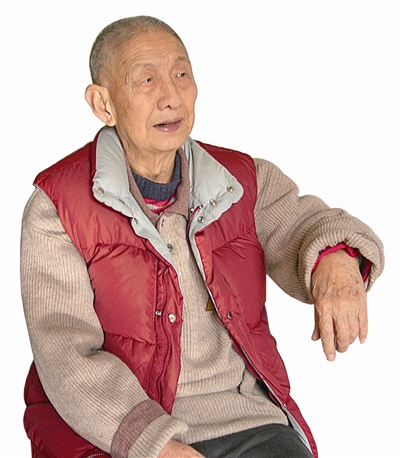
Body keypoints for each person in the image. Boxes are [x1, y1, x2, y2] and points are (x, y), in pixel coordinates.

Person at [20, 15, 384, 458]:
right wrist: (154, 445)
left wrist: (337, 259)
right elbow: (65, 351)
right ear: (104, 103)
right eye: (147, 80)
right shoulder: (58, 205)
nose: (171, 97)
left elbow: (307, 224)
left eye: (181, 75)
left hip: (245, 419)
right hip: (114, 429)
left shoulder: (239, 181)